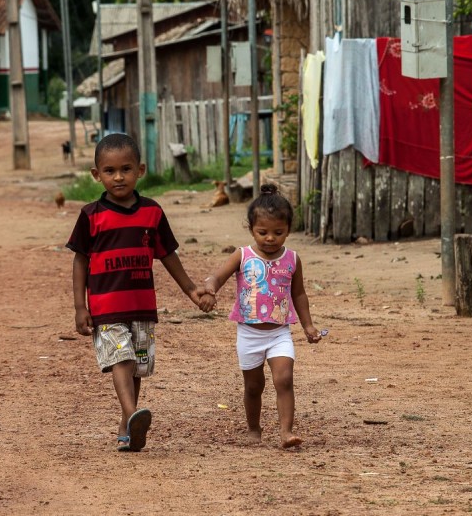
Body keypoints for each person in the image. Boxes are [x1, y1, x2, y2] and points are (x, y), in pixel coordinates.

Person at [66, 133, 204, 452]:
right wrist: (79, 306)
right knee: (122, 360)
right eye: (110, 171)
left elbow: (168, 255)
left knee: (137, 367)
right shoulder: (90, 216)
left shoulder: (152, 213)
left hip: (142, 308)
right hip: (106, 309)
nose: (118, 177)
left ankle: (126, 429)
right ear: (96, 174)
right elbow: (80, 261)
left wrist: (192, 290)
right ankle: (131, 414)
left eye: (126, 169)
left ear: (140, 170)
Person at [198, 184, 322, 449]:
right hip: (249, 334)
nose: (270, 238)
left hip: (279, 333)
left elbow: (298, 295)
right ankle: (254, 428)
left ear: (288, 229)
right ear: (251, 229)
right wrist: (210, 290)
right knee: (254, 386)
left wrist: (308, 325)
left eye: (278, 233)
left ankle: (286, 431)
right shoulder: (242, 255)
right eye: (262, 232)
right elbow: (218, 276)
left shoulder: (293, 259)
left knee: (284, 379)